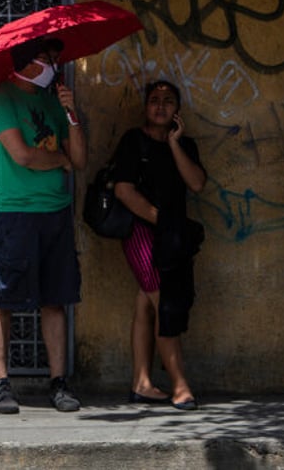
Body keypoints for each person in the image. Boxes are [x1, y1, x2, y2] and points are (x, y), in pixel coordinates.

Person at [0, 37, 87, 414]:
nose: (52, 65)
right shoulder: (0, 99)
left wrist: (71, 116)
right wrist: (59, 159)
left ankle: (58, 382)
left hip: (56, 210)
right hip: (18, 211)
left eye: (54, 58)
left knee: (55, 298)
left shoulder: (53, 101)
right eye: (46, 58)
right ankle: (1, 382)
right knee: (4, 297)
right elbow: (23, 155)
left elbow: (80, 159)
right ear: (26, 62)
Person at [113, 80, 206, 411]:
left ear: (177, 110)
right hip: (141, 232)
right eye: (154, 100)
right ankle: (181, 386)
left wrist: (175, 144)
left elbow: (196, 183)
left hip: (173, 237)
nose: (161, 106)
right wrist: (160, 220)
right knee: (165, 304)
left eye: (168, 101)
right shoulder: (132, 141)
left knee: (146, 304)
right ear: (145, 107)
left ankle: (141, 383)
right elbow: (124, 190)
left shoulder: (186, 144)